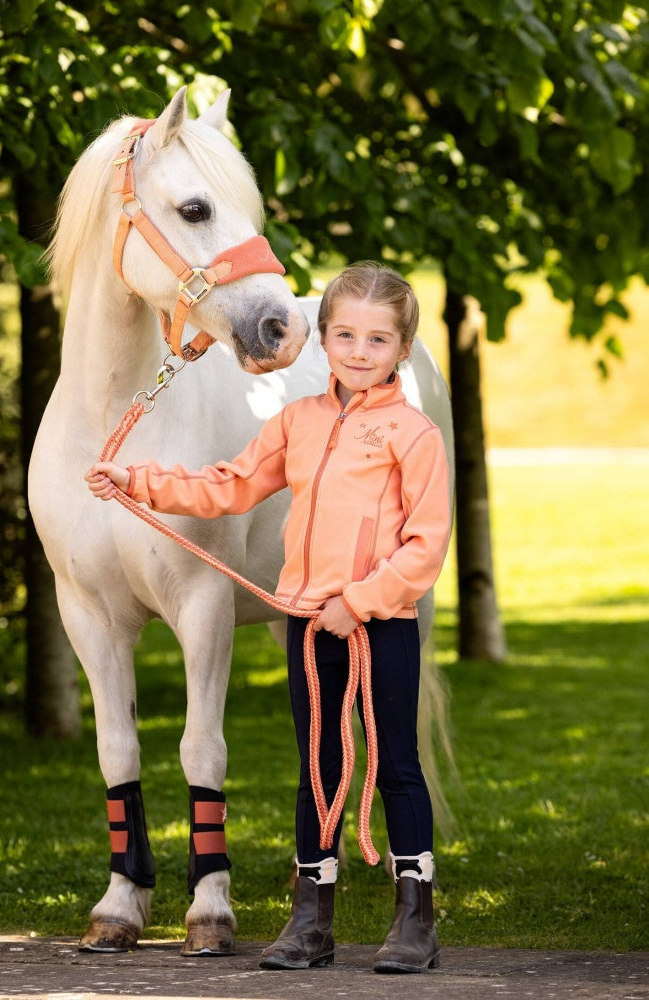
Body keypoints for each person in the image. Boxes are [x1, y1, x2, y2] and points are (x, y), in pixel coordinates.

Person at [85, 262, 452, 974]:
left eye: (377, 339)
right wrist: (138, 480)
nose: (357, 351)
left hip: (381, 625)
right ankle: (311, 918)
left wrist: (361, 602)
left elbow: (425, 547)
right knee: (316, 767)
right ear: (322, 340)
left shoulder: (414, 436)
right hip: (313, 625)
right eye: (343, 334)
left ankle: (415, 917)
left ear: (402, 349)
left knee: (396, 766)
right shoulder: (299, 423)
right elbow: (230, 485)